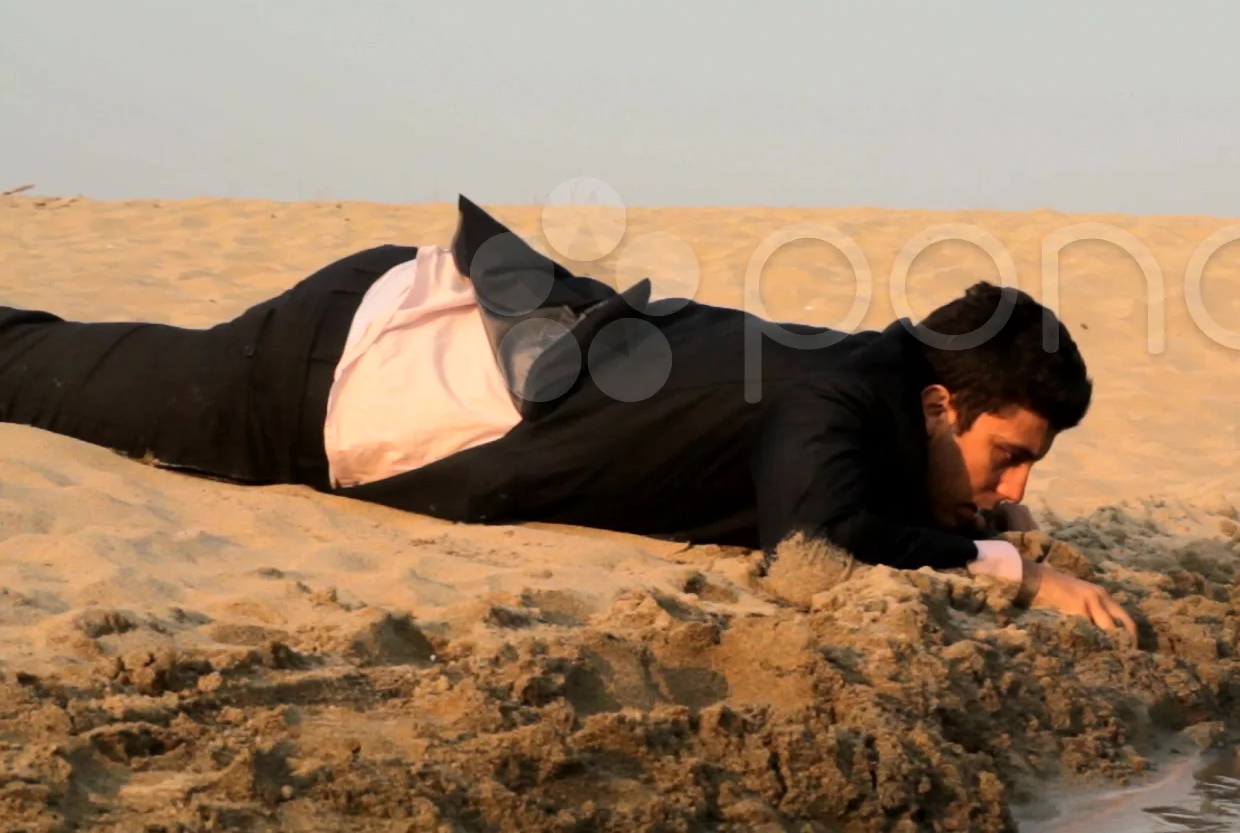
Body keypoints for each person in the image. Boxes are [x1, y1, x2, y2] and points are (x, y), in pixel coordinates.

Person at [0, 197, 1136, 637]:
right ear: (940, 402)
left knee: (51, 354)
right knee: (28, 371)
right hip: (332, 380)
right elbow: (811, 555)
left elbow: (859, 507)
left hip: (416, 342)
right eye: (1010, 457)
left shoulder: (872, 397)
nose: (1016, 489)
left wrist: (988, 532)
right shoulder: (832, 396)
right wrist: (1011, 567)